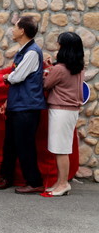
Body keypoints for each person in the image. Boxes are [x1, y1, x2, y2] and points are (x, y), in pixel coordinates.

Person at [0, 16, 46, 194]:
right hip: (18, 105)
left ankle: (34, 182)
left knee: (25, 145)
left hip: (27, 107)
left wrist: (6, 77)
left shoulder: (32, 52)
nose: (12, 30)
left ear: (23, 30)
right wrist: (8, 101)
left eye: (15, 27)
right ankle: (6, 177)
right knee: (10, 144)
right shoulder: (24, 51)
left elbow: (17, 77)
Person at [41, 32, 84, 197]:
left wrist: (49, 70)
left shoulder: (60, 69)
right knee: (62, 148)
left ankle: (63, 183)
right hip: (70, 111)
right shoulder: (78, 67)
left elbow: (46, 84)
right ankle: (60, 182)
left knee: (60, 149)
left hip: (60, 110)